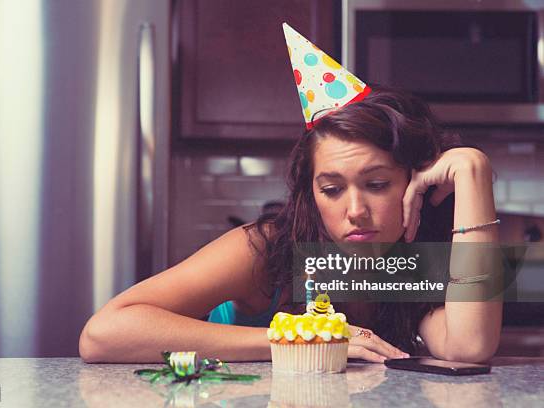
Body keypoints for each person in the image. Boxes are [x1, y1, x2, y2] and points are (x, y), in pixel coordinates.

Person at [79, 85, 501, 364]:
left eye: (376, 184)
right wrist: (304, 339)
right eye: (332, 189)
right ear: (310, 194)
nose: (355, 210)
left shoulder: (409, 262)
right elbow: (103, 334)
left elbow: (469, 348)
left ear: (415, 183)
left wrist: (472, 171)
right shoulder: (267, 249)